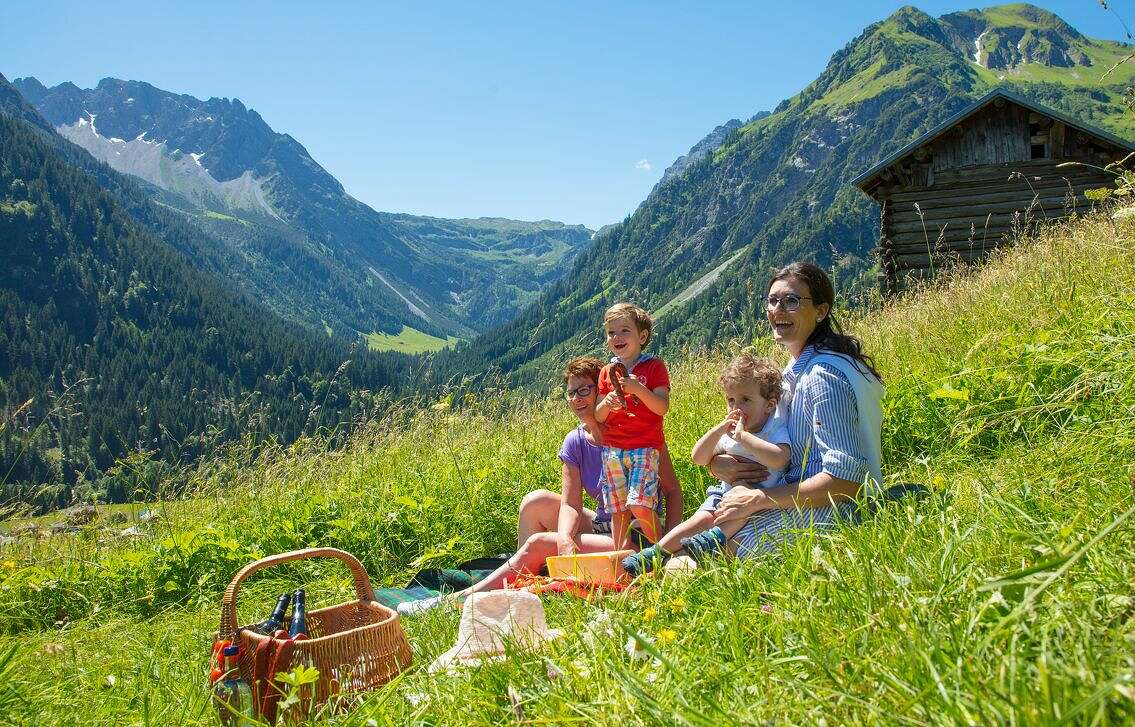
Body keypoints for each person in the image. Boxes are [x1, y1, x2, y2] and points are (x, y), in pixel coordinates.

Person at [397, 357, 683, 615]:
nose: (577, 399)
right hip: (603, 524)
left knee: (538, 544)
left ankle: (459, 601)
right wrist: (565, 539)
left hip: (632, 536)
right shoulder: (577, 440)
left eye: (585, 390)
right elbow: (571, 503)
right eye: (571, 392)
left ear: (602, 391)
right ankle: (531, 575)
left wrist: (667, 545)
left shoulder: (635, 434)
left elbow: (672, 490)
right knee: (536, 502)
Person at [684, 261, 885, 560]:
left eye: (792, 301)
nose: (778, 310)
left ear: (821, 311)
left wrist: (758, 499)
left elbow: (847, 480)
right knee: (692, 546)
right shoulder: (800, 368)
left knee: (700, 559)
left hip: (831, 509)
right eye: (773, 300)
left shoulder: (822, 375)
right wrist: (720, 465)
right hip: (794, 497)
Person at [621, 352, 790, 576]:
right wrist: (718, 430)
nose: (736, 407)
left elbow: (780, 458)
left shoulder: (773, 430)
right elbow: (698, 458)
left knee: (740, 502)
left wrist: (744, 438)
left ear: (769, 405)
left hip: (754, 500)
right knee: (700, 518)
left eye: (745, 400)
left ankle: (713, 538)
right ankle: (656, 552)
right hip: (722, 494)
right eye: (731, 400)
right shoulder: (729, 433)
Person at [594, 303, 671, 550]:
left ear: (642, 336)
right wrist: (607, 403)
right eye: (611, 333)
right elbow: (598, 415)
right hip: (612, 450)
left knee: (639, 504)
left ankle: (660, 552)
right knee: (618, 509)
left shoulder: (653, 367)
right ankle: (621, 558)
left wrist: (638, 389)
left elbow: (661, 407)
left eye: (624, 331)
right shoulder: (607, 372)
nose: (617, 337)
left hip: (644, 447)